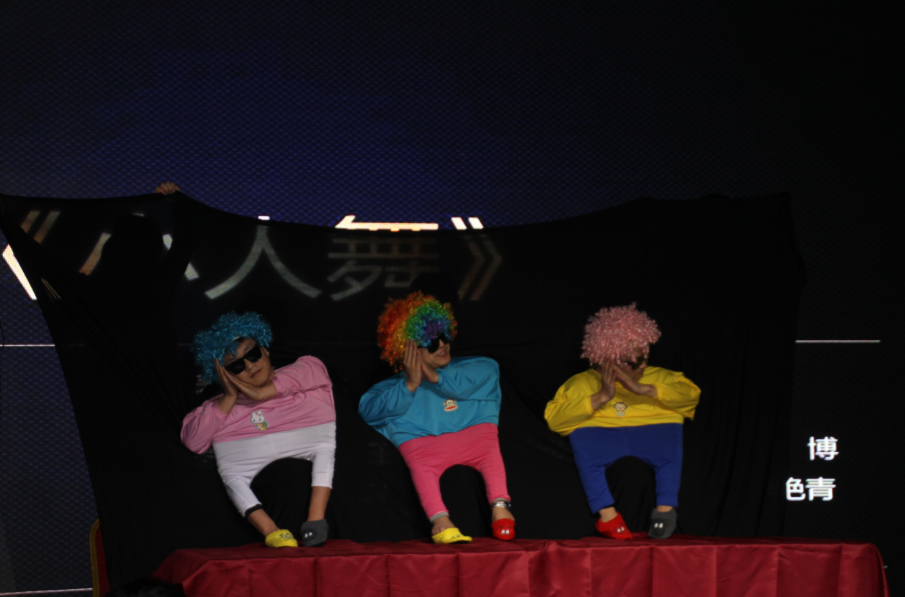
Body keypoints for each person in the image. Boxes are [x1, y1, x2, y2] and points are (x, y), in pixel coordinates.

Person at [358, 292, 516, 544]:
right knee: (422, 470)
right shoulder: (391, 388)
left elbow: (488, 371)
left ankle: (500, 506)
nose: (442, 344)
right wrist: (410, 384)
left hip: (478, 442)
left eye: (443, 336)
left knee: (490, 456)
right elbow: (368, 410)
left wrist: (436, 378)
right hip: (425, 451)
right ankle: (440, 520)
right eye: (431, 343)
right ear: (407, 350)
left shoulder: (476, 367)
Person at [545, 303, 700, 540]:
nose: (644, 364)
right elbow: (555, 419)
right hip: (601, 436)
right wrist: (601, 397)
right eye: (636, 361)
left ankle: (665, 510)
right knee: (587, 455)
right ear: (610, 359)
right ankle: (608, 517)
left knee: (669, 455)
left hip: (655, 433)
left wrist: (644, 389)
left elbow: (691, 396)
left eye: (645, 357)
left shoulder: (663, 377)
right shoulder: (579, 384)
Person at [181, 312, 336, 548]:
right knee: (233, 478)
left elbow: (314, 368)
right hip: (247, 473)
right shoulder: (216, 408)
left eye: (252, 354)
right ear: (224, 374)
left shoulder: (303, 371)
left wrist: (263, 393)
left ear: (264, 349)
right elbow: (192, 440)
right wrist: (230, 397)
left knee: (324, 453)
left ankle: (316, 520)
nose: (250, 365)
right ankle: (272, 532)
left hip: (312, 446)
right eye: (236, 365)